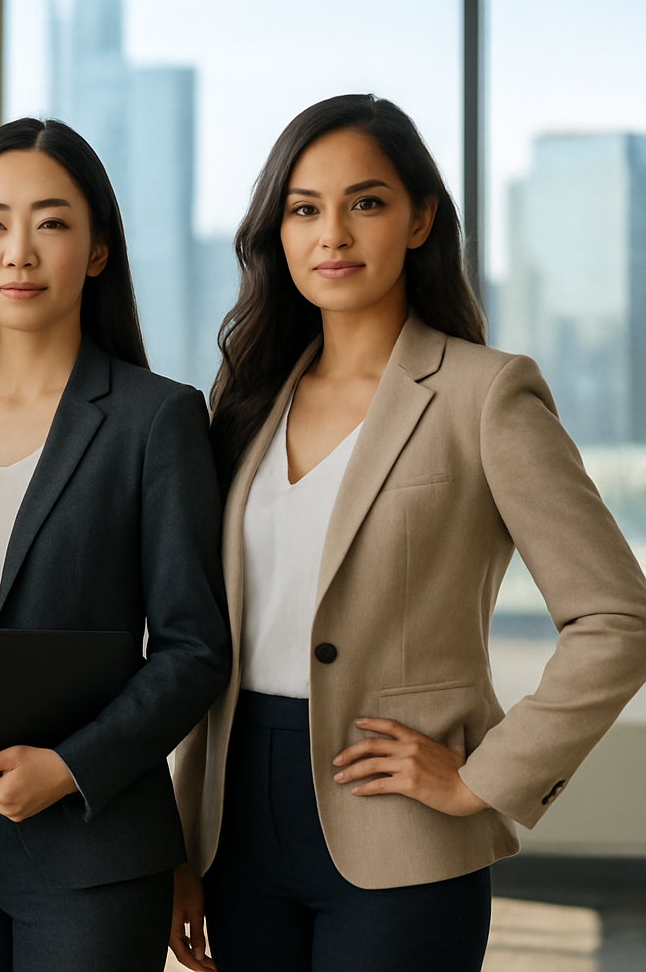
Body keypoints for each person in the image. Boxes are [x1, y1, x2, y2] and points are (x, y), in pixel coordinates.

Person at [168, 94, 646, 972]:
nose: (333, 235)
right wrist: (179, 840)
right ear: (277, 231)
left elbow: (617, 619)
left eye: (368, 202)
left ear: (421, 218)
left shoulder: (485, 394)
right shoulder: (239, 405)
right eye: (304, 209)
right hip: (235, 827)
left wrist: (484, 776)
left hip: (399, 834)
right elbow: (204, 636)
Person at [0, 117, 230, 972]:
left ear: (98, 250)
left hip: (89, 842)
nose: (18, 251)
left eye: (52, 222)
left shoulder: (156, 418)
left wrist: (70, 767)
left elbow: (193, 647)